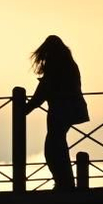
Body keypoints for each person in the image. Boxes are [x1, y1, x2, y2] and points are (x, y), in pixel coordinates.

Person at [24, 35, 89, 190]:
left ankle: (63, 182)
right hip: (70, 109)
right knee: (57, 144)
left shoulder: (56, 67)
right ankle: (65, 182)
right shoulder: (69, 64)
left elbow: (42, 92)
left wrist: (25, 109)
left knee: (53, 147)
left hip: (60, 111)